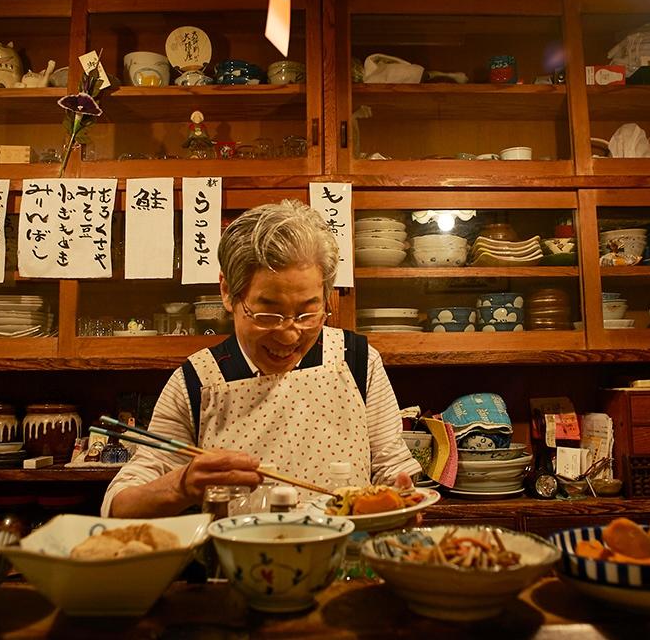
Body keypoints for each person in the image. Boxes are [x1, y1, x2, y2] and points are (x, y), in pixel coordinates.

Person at [103, 200, 420, 517]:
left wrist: (403, 498)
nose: (289, 335)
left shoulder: (356, 362)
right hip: (237, 565)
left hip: (343, 562)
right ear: (228, 292)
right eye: (269, 314)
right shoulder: (198, 380)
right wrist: (180, 486)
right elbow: (119, 505)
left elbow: (392, 470)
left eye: (308, 313)